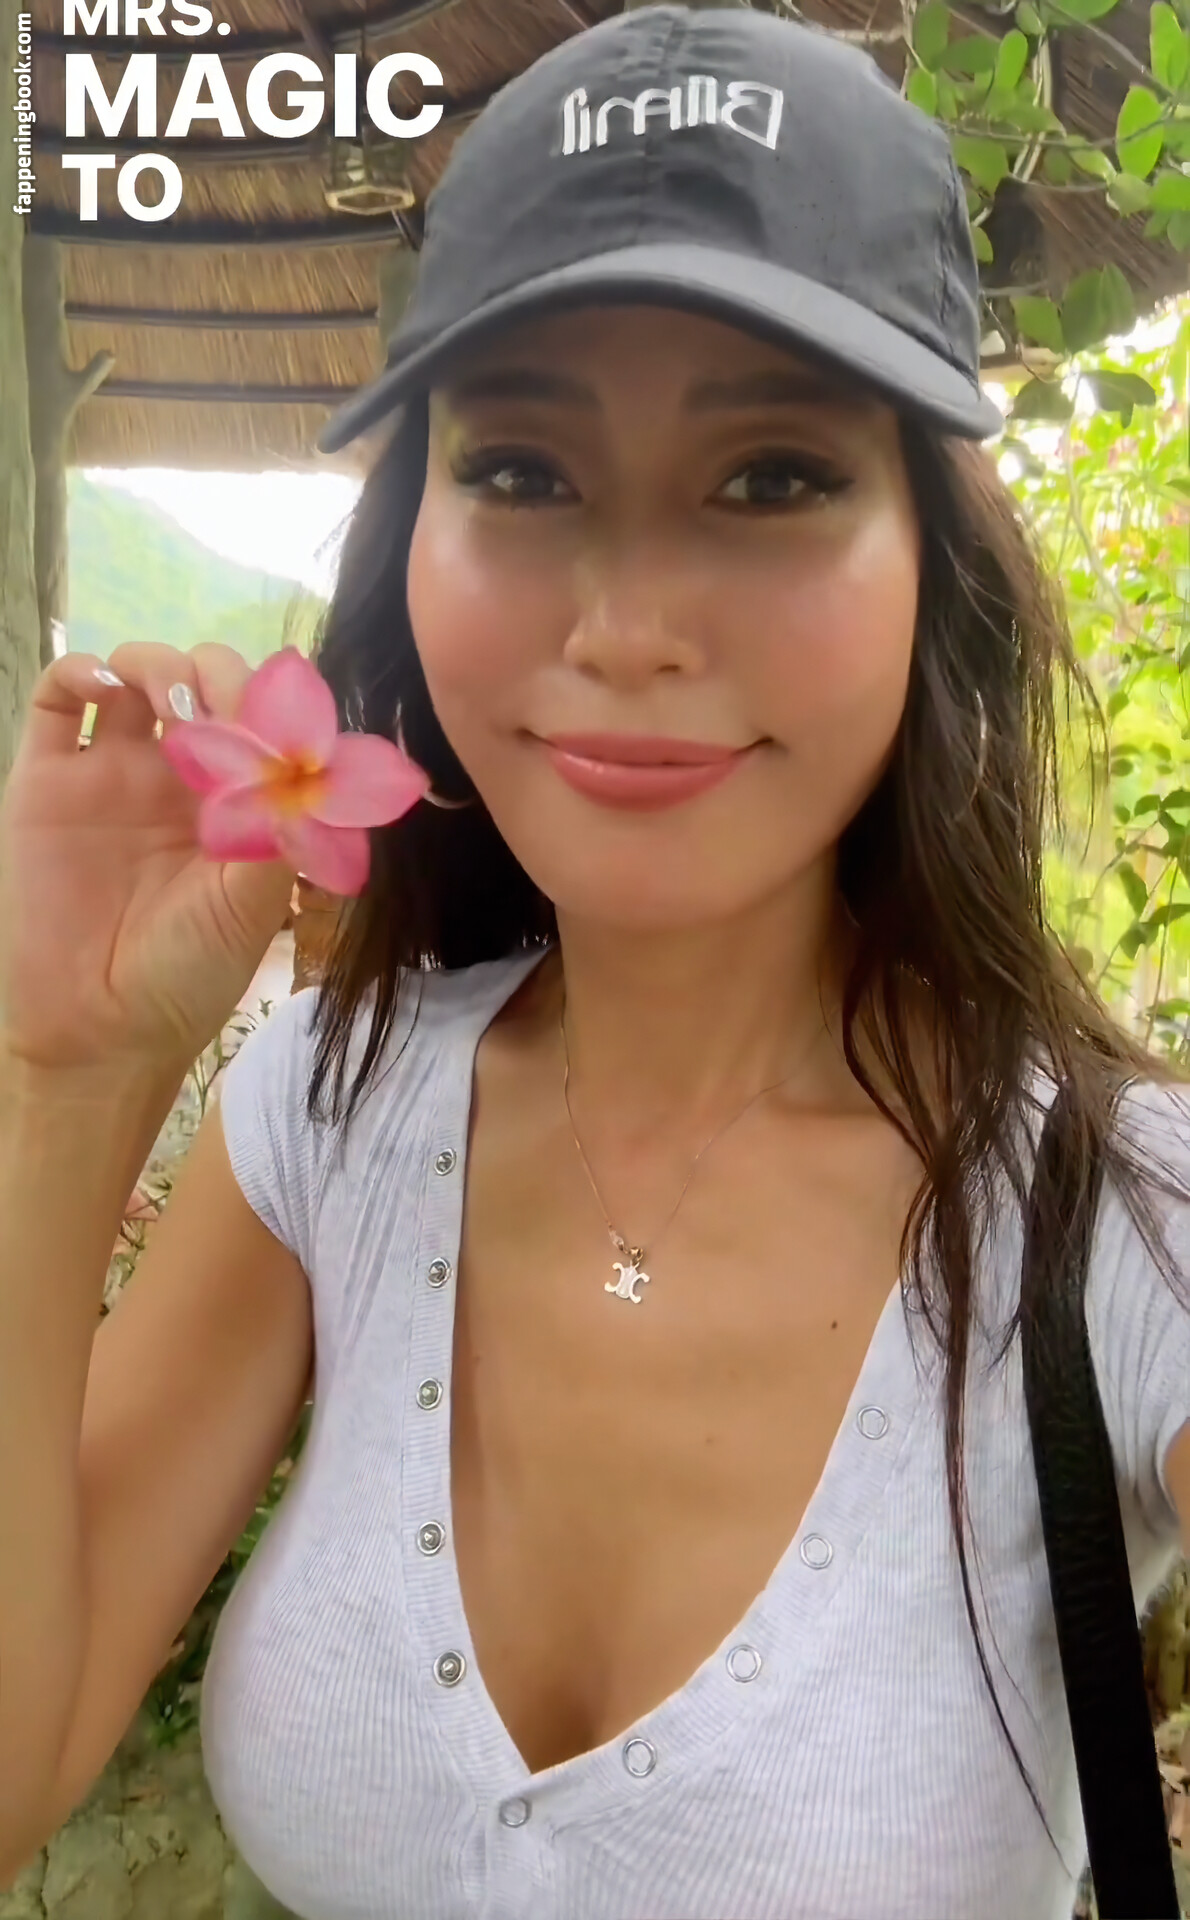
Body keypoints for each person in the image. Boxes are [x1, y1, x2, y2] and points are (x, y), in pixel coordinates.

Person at [1, 7, 1187, 1918]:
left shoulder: (1121, 1231)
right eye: (524, 473)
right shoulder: (328, 1115)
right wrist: (66, 1083)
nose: (626, 625)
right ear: (410, 545)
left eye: (773, 476)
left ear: (931, 565)